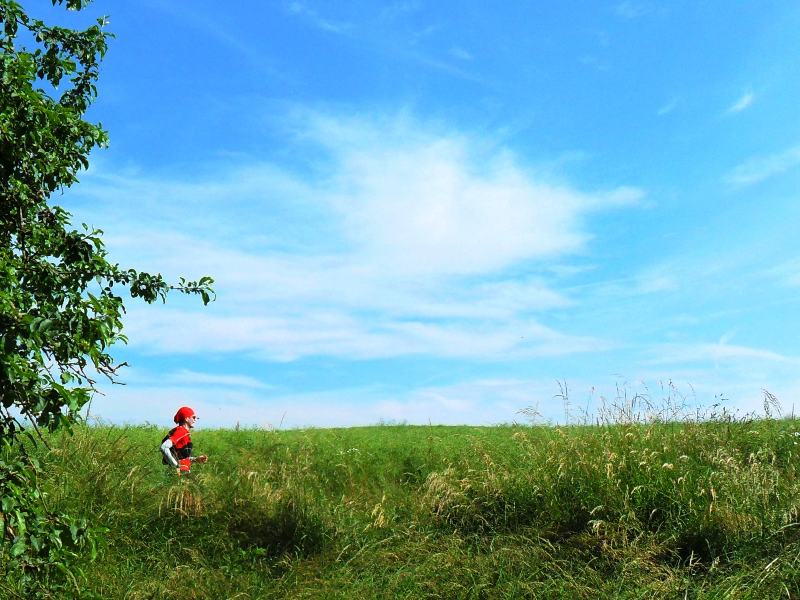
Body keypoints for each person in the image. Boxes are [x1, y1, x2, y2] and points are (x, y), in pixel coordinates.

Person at [160, 406, 208, 474]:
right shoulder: (181, 431)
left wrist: (195, 459)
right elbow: (164, 447)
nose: (195, 420)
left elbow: (180, 457)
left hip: (181, 473)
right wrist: (176, 466)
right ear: (186, 419)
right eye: (193, 417)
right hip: (178, 473)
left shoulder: (184, 433)